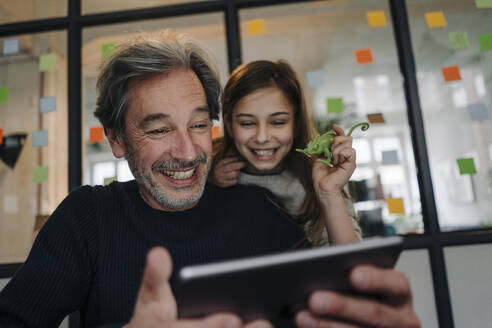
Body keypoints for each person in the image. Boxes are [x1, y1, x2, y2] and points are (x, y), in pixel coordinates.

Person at [0, 30, 420, 328]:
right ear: (117, 140)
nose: (186, 152)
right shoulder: (87, 218)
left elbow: (338, 305)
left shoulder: (256, 210)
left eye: (198, 125)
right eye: (160, 129)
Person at [210, 60, 360, 246]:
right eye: (247, 123)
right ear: (230, 125)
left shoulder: (320, 177)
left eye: (278, 122)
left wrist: (329, 194)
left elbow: (355, 269)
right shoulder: (208, 171)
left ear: (296, 124)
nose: (262, 137)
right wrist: (210, 182)